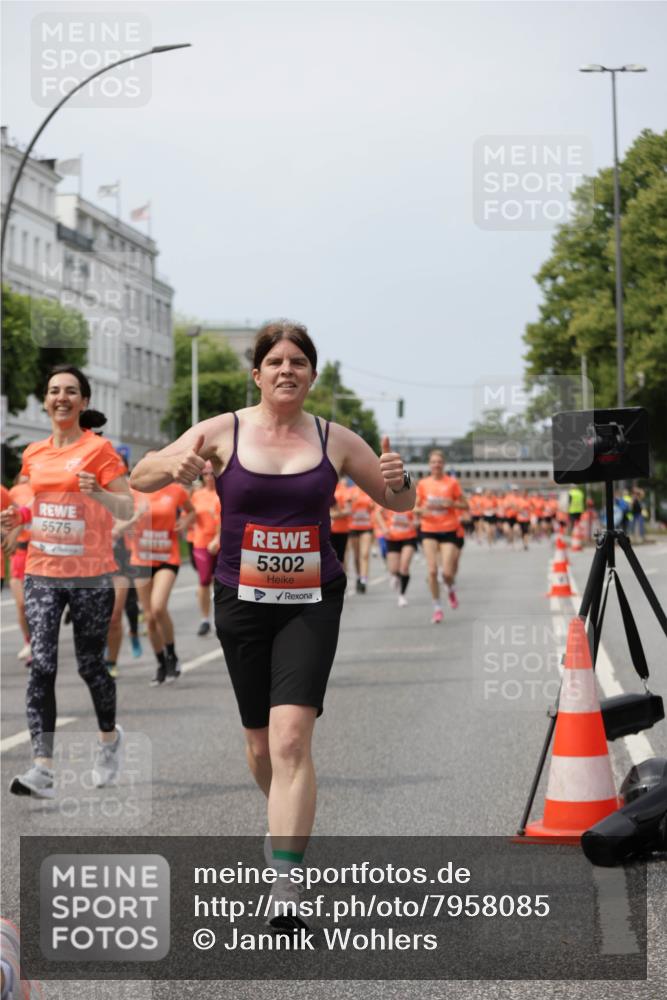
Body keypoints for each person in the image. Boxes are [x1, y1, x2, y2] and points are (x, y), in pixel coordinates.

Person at [129, 319, 415, 928]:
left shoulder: (336, 439)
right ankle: (286, 817)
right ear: (256, 373)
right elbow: (140, 476)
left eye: (299, 362)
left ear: (313, 375)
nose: (288, 370)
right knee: (259, 744)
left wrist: (401, 482)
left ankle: (285, 882)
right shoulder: (222, 430)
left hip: (313, 600)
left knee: (290, 740)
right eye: (276, 361)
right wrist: (175, 463)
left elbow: (397, 503)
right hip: (242, 602)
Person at [2, 366, 132, 798]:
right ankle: (42, 767)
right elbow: (27, 498)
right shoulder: (35, 453)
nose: (62, 397)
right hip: (42, 570)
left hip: (90, 575)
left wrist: (98, 494)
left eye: (71, 391)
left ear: (83, 401)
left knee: (91, 666)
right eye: (54, 391)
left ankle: (109, 740)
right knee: (41, 665)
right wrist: (17, 518)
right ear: (45, 400)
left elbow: (128, 508)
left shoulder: (100, 451)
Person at [128, 482, 194, 685]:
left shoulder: (175, 490)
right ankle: (160, 663)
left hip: (167, 556)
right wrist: (133, 518)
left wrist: (185, 522)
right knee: (148, 617)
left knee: (158, 608)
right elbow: (118, 517)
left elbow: (191, 511)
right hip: (141, 559)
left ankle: (172, 654)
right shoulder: (134, 492)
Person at [416, 450, 468, 623]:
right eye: (433, 462)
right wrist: (422, 510)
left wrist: (452, 503)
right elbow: (414, 507)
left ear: (443, 464)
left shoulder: (452, 483)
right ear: (429, 465)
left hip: (449, 530)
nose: (436, 465)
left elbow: (465, 505)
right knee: (431, 571)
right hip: (429, 529)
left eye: (439, 462)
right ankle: (437, 607)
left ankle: (450, 588)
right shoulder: (423, 484)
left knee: (446, 572)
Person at [190, 461, 222, 635]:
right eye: (205, 473)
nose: (209, 477)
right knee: (203, 581)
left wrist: (218, 538)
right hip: (201, 542)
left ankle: (220, 619)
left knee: (222, 582)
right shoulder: (196, 494)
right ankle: (204, 619)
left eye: (212, 473)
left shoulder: (224, 493)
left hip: (223, 543)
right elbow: (191, 516)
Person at [376, 506, 418, 607]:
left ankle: (402, 595)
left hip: (409, 537)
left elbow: (417, 520)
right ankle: (395, 575)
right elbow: (378, 514)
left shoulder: (412, 499)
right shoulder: (391, 499)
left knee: (404, 567)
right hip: (392, 537)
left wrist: (414, 523)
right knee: (393, 570)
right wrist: (384, 528)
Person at [347, 484, 375, 592]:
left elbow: (373, 508)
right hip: (353, 527)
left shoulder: (369, 490)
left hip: (366, 527)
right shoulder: (350, 491)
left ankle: (363, 579)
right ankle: (359, 576)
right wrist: (351, 501)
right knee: (356, 556)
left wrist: (372, 505)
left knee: (365, 554)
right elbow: (347, 507)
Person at [329, 475, 352, 569]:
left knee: (340, 558)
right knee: (330, 558)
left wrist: (333, 515)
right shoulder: (326, 488)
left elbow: (348, 510)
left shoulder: (343, 490)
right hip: (328, 530)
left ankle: (341, 579)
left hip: (341, 530)